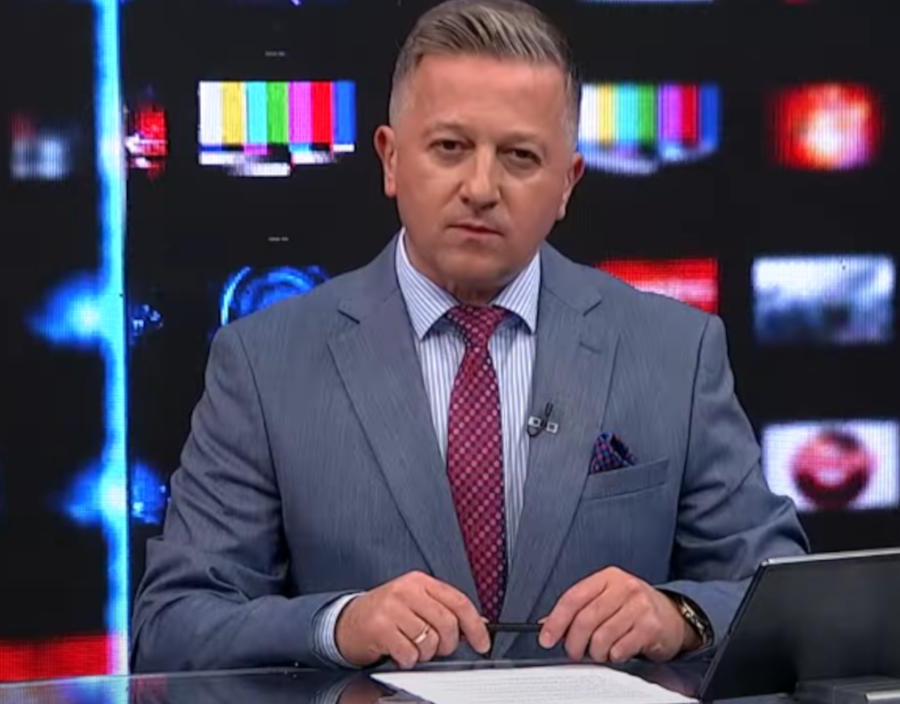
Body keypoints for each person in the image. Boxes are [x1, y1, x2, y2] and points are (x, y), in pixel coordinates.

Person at [131, 0, 807, 672]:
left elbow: (782, 593)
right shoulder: (264, 363)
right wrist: (338, 625)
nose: (481, 187)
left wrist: (680, 616)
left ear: (567, 183)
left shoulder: (675, 352)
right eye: (450, 148)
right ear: (391, 160)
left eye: (520, 156)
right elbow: (172, 625)